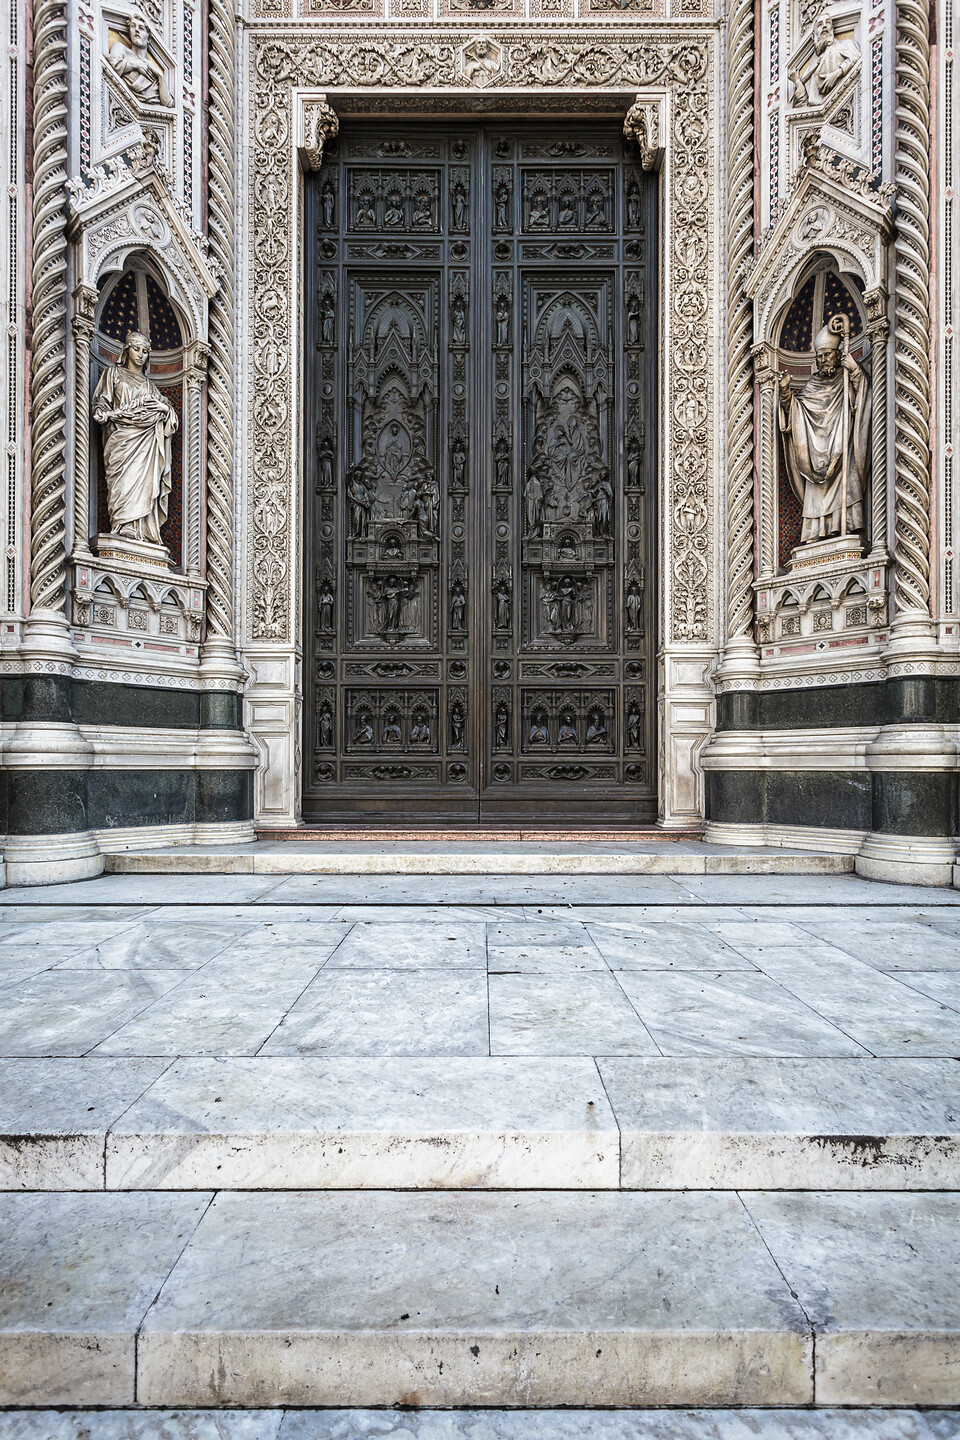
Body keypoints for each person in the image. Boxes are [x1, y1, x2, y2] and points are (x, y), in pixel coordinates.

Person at [778, 318, 871, 543]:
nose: (822, 360)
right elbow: (799, 410)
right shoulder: (813, 385)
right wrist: (785, 395)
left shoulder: (846, 377)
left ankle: (847, 527)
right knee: (816, 491)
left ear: (837, 355)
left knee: (847, 482)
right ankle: (816, 533)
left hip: (843, 446)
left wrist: (856, 371)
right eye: (819, 357)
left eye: (826, 355)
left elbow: (865, 399)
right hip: (816, 451)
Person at [92, 330, 177, 545]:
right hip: (121, 441)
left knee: (144, 483)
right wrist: (102, 411)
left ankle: (141, 530)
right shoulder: (113, 374)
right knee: (123, 484)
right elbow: (102, 401)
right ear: (127, 350)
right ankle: (122, 525)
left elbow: (169, 416)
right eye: (136, 349)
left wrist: (164, 409)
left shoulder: (150, 386)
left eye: (145, 351)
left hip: (145, 443)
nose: (141, 355)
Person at [107, 15, 173, 106]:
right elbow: (113, 66)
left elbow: (167, 104)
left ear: (149, 38)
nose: (136, 30)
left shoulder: (152, 69)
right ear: (130, 33)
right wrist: (136, 65)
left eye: (141, 28)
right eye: (133, 26)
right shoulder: (121, 48)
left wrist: (160, 76)